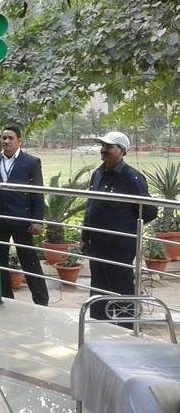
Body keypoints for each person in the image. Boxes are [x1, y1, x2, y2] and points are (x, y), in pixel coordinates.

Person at [82, 131, 157, 326]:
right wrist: (84, 236)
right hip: (97, 243)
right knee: (99, 287)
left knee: (121, 287)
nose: (103, 150)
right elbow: (90, 207)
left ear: (122, 151)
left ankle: (126, 329)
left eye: (109, 147)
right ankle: (99, 327)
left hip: (119, 245)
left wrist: (124, 226)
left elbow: (149, 211)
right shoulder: (98, 173)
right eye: (103, 146)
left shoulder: (132, 178)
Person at [0, 125, 48, 306]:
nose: (6, 141)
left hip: (22, 220)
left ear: (20, 141)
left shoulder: (31, 162)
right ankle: (5, 297)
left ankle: (41, 300)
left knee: (29, 261)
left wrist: (37, 220)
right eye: (4, 138)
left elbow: (37, 192)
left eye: (10, 138)